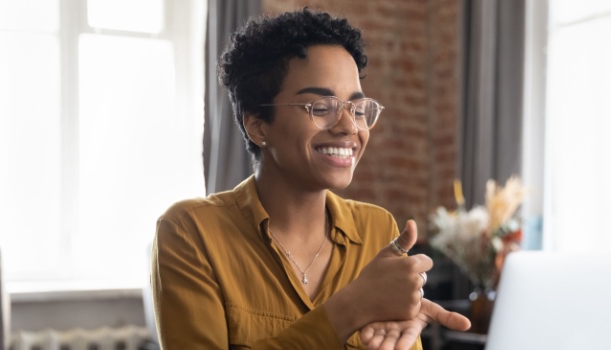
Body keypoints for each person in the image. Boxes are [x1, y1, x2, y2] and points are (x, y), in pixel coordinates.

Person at [151, 8, 471, 350]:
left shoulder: (378, 231)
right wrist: (349, 309)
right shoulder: (191, 232)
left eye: (358, 109)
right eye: (321, 107)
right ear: (258, 125)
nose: (350, 126)